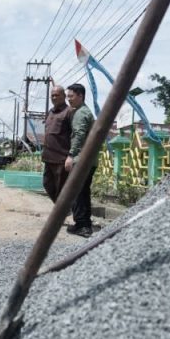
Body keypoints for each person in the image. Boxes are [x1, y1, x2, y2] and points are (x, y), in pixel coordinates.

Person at [64, 83, 97, 237]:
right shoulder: (83, 112)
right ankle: (83, 224)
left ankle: (83, 226)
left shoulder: (80, 113)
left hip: (81, 159)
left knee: (78, 193)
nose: (68, 99)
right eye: (67, 96)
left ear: (80, 96)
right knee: (82, 192)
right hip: (88, 159)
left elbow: (79, 135)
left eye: (71, 96)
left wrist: (71, 155)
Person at [41, 84, 72, 202]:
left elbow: (74, 134)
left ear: (64, 96)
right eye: (52, 95)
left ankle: (60, 213)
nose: (54, 97)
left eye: (57, 95)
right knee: (47, 184)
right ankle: (62, 210)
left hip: (61, 158)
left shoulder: (69, 112)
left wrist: (70, 155)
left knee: (61, 188)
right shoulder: (50, 112)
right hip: (48, 157)